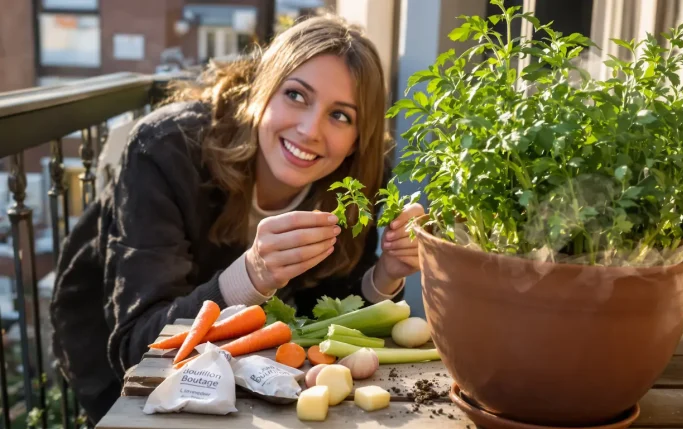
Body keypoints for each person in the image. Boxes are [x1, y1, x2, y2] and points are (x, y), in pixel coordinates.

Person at [49, 15, 424, 423]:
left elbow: (326, 312)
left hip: (247, 374)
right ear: (262, 90)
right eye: (296, 95)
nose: (309, 129)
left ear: (357, 139)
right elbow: (139, 345)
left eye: (340, 116)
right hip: (117, 369)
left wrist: (385, 275)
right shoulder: (165, 150)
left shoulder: (356, 183)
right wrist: (252, 274)